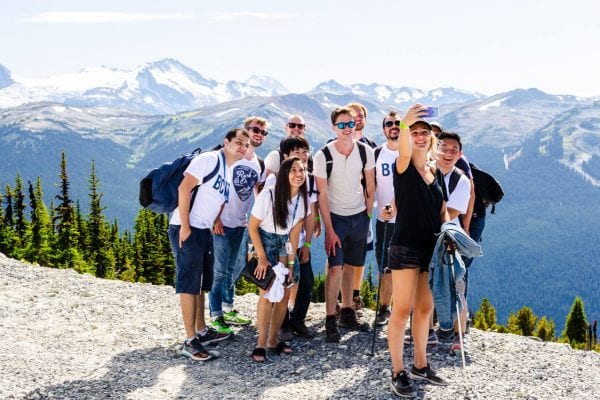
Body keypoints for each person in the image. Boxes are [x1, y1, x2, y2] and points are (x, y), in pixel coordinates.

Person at [170, 128, 250, 361]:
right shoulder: (209, 159)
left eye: (245, 145)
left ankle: (201, 331)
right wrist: (185, 225)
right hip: (188, 228)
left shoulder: (228, 168)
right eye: (238, 142)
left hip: (204, 230)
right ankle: (189, 340)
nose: (242, 147)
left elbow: (217, 198)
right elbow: (184, 188)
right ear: (226, 142)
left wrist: (214, 220)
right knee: (188, 284)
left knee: (201, 283)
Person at [387, 105, 449, 397]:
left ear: (432, 137)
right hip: (405, 246)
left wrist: (450, 232)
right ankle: (397, 370)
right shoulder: (403, 165)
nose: (420, 136)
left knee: (425, 309)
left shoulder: (434, 170)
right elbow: (401, 150)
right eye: (415, 133)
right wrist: (404, 123)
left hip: (431, 247)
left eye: (425, 132)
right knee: (401, 310)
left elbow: (442, 209)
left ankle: (420, 365)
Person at [314, 107, 375, 342]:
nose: (347, 128)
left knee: (351, 265)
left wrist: (367, 215)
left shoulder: (365, 151)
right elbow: (322, 195)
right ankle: (331, 318)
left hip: (359, 216)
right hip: (336, 218)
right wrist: (329, 230)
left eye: (350, 123)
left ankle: (348, 312)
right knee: (334, 268)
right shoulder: (323, 156)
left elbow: (371, 185)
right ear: (333, 127)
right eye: (341, 125)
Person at [208, 117, 268, 334]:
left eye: (263, 132)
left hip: (241, 224)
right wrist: (214, 218)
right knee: (219, 271)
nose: (259, 134)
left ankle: (228, 307)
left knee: (233, 268)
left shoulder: (258, 164)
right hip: (221, 223)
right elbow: (213, 187)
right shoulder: (229, 157)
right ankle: (216, 314)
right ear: (246, 131)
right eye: (255, 129)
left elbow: (258, 195)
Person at [247, 157, 308, 362]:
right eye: (293, 170)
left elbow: (292, 235)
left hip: (284, 243)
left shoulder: (301, 200)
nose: (299, 174)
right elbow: (252, 227)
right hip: (263, 241)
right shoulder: (269, 195)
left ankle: (273, 340)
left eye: (302, 170)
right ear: (284, 174)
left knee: (284, 292)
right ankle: (260, 343)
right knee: (266, 292)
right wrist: (262, 259)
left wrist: (290, 264)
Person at [433, 131, 472, 355]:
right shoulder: (424, 172)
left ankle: (459, 336)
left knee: (457, 286)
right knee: (425, 288)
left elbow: (451, 211)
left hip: (448, 238)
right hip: (426, 236)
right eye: (444, 148)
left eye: (453, 150)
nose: (448, 154)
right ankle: (428, 332)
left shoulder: (461, 180)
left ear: (460, 154)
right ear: (435, 147)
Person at [279, 137, 318, 338]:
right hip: (279, 242)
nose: (302, 156)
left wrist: (308, 243)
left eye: (305, 151)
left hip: (300, 240)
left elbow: (310, 214)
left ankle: (297, 319)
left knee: (307, 281)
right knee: (282, 282)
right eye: (297, 152)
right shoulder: (275, 179)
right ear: (285, 156)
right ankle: (282, 322)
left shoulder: (307, 179)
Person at [346, 102, 377, 314]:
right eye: (353, 115)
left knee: (361, 254)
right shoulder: (335, 144)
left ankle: (355, 295)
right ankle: (341, 298)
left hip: (363, 210)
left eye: (361, 115)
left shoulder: (371, 146)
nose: (357, 118)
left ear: (365, 120)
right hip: (339, 209)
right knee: (337, 256)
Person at [373, 111, 400, 326]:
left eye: (398, 123)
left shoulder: (408, 154)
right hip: (383, 219)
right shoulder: (376, 154)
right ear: (384, 129)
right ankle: (384, 308)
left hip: (406, 220)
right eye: (389, 123)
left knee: (409, 267)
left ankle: (405, 309)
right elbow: (369, 185)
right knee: (385, 267)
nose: (394, 126)